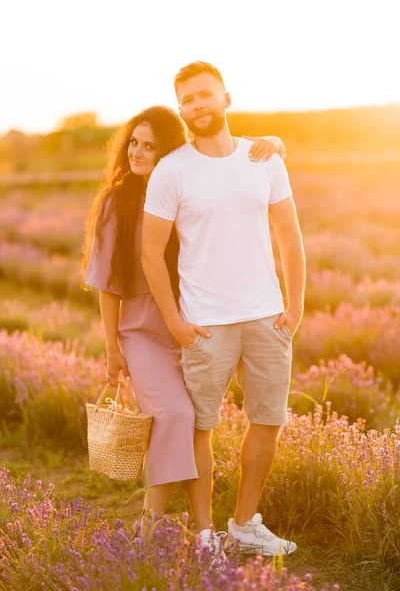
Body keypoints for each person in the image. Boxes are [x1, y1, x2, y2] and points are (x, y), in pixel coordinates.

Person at [82, 105, 285, 536]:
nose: (138, 152)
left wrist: (276, 144)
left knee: (195, 423)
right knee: (175, 415)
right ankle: (151, 525)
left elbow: (224, 158)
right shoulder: (116, 202)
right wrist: (112, 349)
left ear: (170, 154)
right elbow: (105, 283)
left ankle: (205, 528)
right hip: (143, 332)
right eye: (134, 142)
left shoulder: (185, 183)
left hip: (196, 320)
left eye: (150, 146)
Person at [142, 62, 306, 558]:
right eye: (187, 100)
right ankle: (205, 534)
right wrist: (174, 321)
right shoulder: (172, 170)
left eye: (205, 95)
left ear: (226, 99)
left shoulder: (264, 158)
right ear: (181, 109)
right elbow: (150, 253)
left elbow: (290, 236)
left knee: (268, 419)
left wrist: (295, 304)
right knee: (201, 426)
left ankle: (244, 523)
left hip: (266, 315)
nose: (197, 105)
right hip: (205, 324)